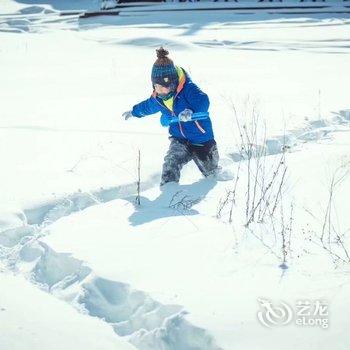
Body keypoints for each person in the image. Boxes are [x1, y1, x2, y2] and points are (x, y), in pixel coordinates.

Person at [122, 47, 219, 186]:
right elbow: (148, 106)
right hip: (179, 139)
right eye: (156, 86)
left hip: (201, 138)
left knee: (211, 173)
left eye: (163, 86)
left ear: (172, 83)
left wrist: (190, 111)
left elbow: (203, 100)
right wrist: (134, 112)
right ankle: (168, 193)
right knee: (171, 162)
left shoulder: (188, 89)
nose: (159, 90)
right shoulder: (158, 98)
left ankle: (217, 181)